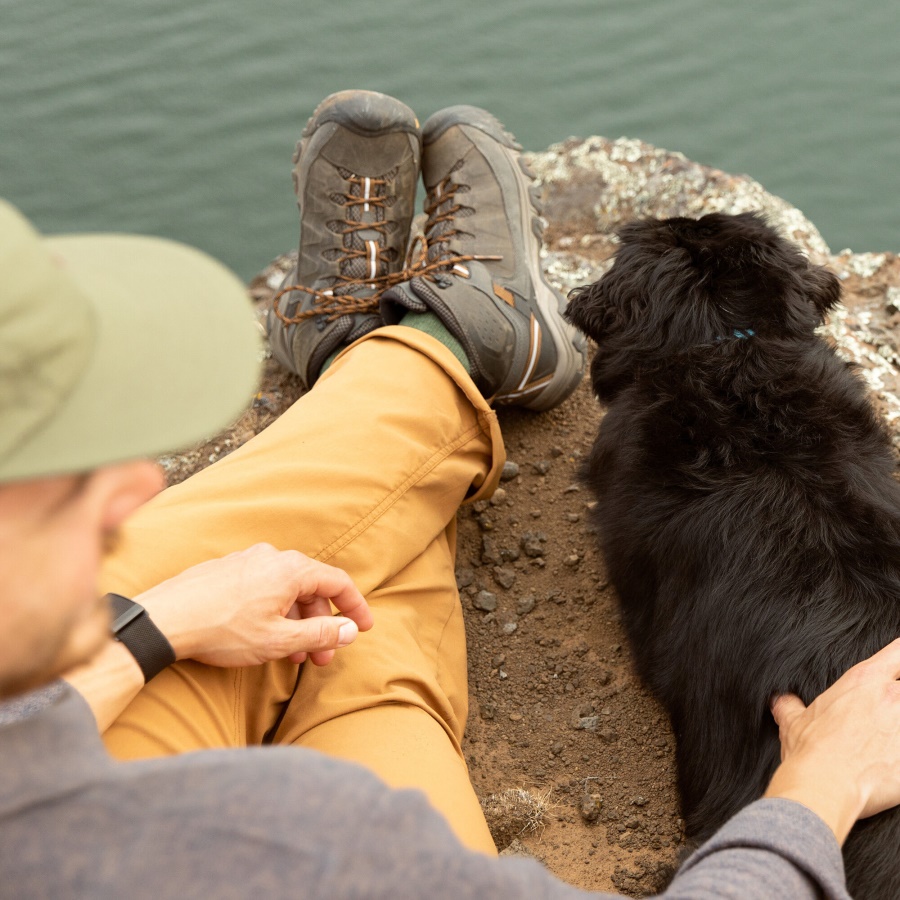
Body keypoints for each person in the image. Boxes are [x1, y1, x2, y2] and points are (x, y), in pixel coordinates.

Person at [1, 89, 898, 899]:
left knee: (323, 613)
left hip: (45, 743)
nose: (136, 479)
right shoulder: (313, 846)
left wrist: (151, 632)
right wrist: (819, 786)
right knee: (352, 639)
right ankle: (446, 349)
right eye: (47, 472)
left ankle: (419, 356)